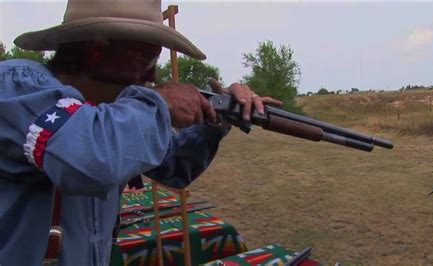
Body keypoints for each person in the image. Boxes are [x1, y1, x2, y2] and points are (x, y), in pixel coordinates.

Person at [0, 0, 282, 265]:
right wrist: (162, 102)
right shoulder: (18, 84)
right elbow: (91, 159)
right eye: (146, 60)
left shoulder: (108, 114)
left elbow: (173, 166)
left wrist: (218, 118)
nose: (151, 77)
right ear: (96, 50)